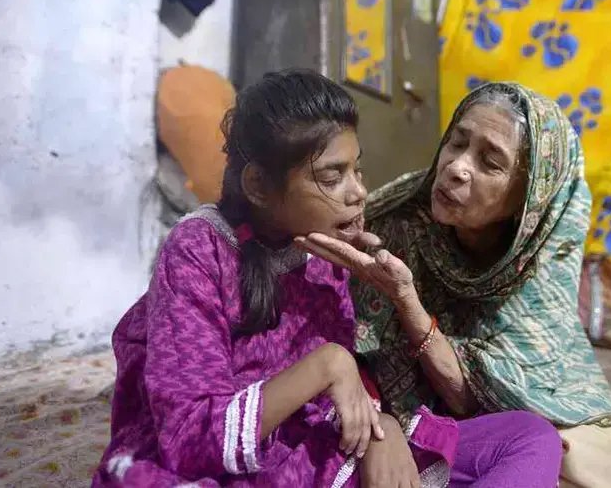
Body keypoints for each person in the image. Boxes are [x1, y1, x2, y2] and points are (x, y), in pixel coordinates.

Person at [94, 70, 562, 488]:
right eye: (331, 176)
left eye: (357, 169)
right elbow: (189, 438)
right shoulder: (198, 252)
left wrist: (385, 428)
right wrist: (328, 365)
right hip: (246, 461)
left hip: (324, 445)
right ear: (258, 185)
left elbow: (356, 387)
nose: (359, 192)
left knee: (530, 439)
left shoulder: (329, 246)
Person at [297, 82, 611, 488]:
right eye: (457, 142)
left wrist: (406, 299)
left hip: (499, 429)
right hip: (395, 426)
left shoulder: (537, 259)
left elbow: (485, 394)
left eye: (490, 163)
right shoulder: (398, 223)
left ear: (528, 197)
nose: (457, 167)